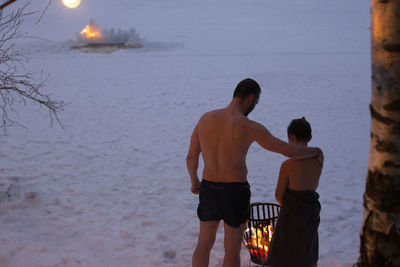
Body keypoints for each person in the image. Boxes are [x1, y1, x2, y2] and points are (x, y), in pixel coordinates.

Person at [186, 78, 323, 267]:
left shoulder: (205, 119)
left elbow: (191, 157)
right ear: (251, 98)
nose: (254, 107)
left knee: (203, 244)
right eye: (256, 103)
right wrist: (315, 151)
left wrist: (194, 181)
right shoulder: (249, 127)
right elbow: (288, 150)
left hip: (209, 187)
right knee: (231, 250)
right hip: (235, 190)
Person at [267, 117, 323, 267]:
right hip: (311, 211)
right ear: (309, 137)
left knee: (284, 256)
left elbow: (279, 195)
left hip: (291, 216)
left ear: (291, 137)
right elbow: (315, 151)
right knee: (308, 252)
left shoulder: (287, 165)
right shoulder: (319, 157)